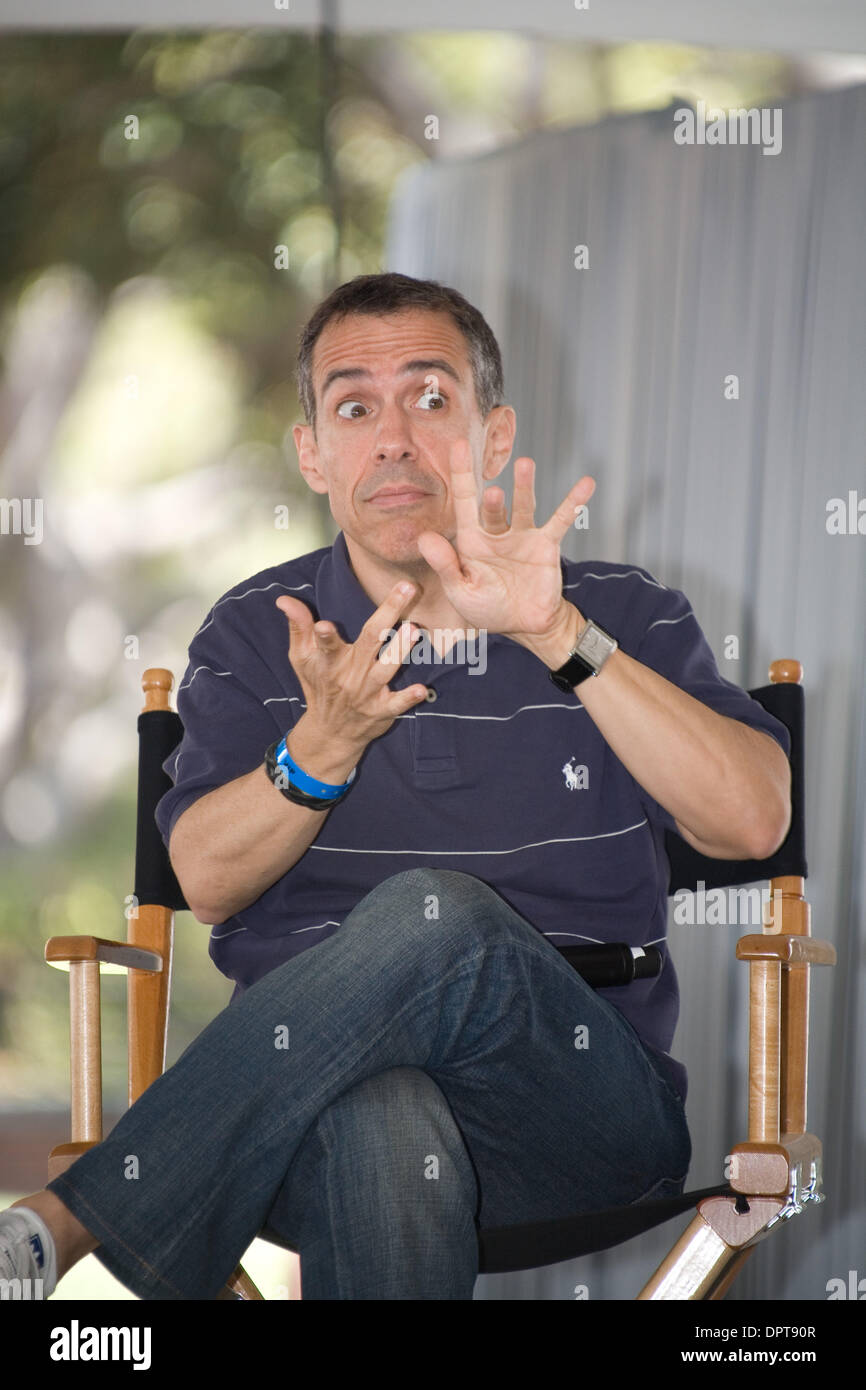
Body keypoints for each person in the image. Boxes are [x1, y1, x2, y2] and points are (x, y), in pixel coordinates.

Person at [1, 273, 791, 1300]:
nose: (392, 439)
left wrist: (554, 634)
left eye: (429, 399)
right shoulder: (257, 631)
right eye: (353, 406)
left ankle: (72, 1223)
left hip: (577, 1110)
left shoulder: (612, 611)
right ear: (313, 453)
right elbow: (205, 881)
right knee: (378, 1113)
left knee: (435, 915)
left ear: (492, 435)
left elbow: (753, 820)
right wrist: (316, 751)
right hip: (314, 1108)